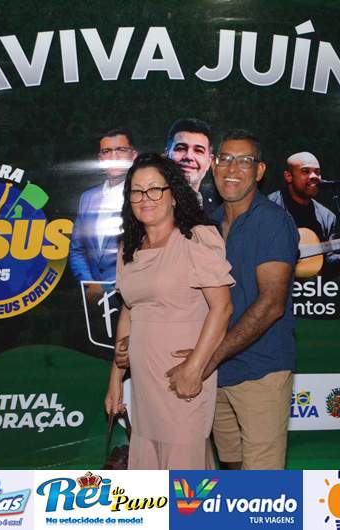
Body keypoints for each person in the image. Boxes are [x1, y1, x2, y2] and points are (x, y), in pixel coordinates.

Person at [168, 130, 298, 470]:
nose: (232, 168)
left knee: (260, 481)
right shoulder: (208, 225)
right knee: (230, 467)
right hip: (217, 374)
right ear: (213, 166)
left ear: (259, 171)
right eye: (225, 159)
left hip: (260, 370)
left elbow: (271, 305)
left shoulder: (272, 222)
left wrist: (207, 359)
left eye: (244, 161)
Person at [104, 153, 234, 470]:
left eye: (154, 189)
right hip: (144, 382)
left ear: (173, 194)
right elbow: (129, 310)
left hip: (181, 375)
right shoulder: (129, 247)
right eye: (137, 191)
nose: (145, 198)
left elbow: (222, 308)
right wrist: (116, 379)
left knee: (185, 475)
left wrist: (195, 368)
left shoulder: (195, 239)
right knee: (149, 469)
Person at [268, 152, 340, 276]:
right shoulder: (266, 209)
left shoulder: (327, 217)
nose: (314, 176)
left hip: (307, 286)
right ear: (288, 176)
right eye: (305, 171)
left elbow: (327, 266)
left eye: (317, 172)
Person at [70, 128, 137, 301]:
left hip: (132, 297)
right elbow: (77, 250)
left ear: (133, 155)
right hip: (92, 300)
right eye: (107, 151)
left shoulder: (144, 198)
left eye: (121, 150)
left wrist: (108, 288)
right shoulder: (87, 197)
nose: (114, 157)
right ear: (100, 159)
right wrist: (90, 283)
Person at [165, 118, 221, 216]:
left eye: (198, 150)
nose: (189, 156)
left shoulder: (220, 209)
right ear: (166, 156)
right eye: (181, 148)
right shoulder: (146, 202)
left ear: (209, 162)